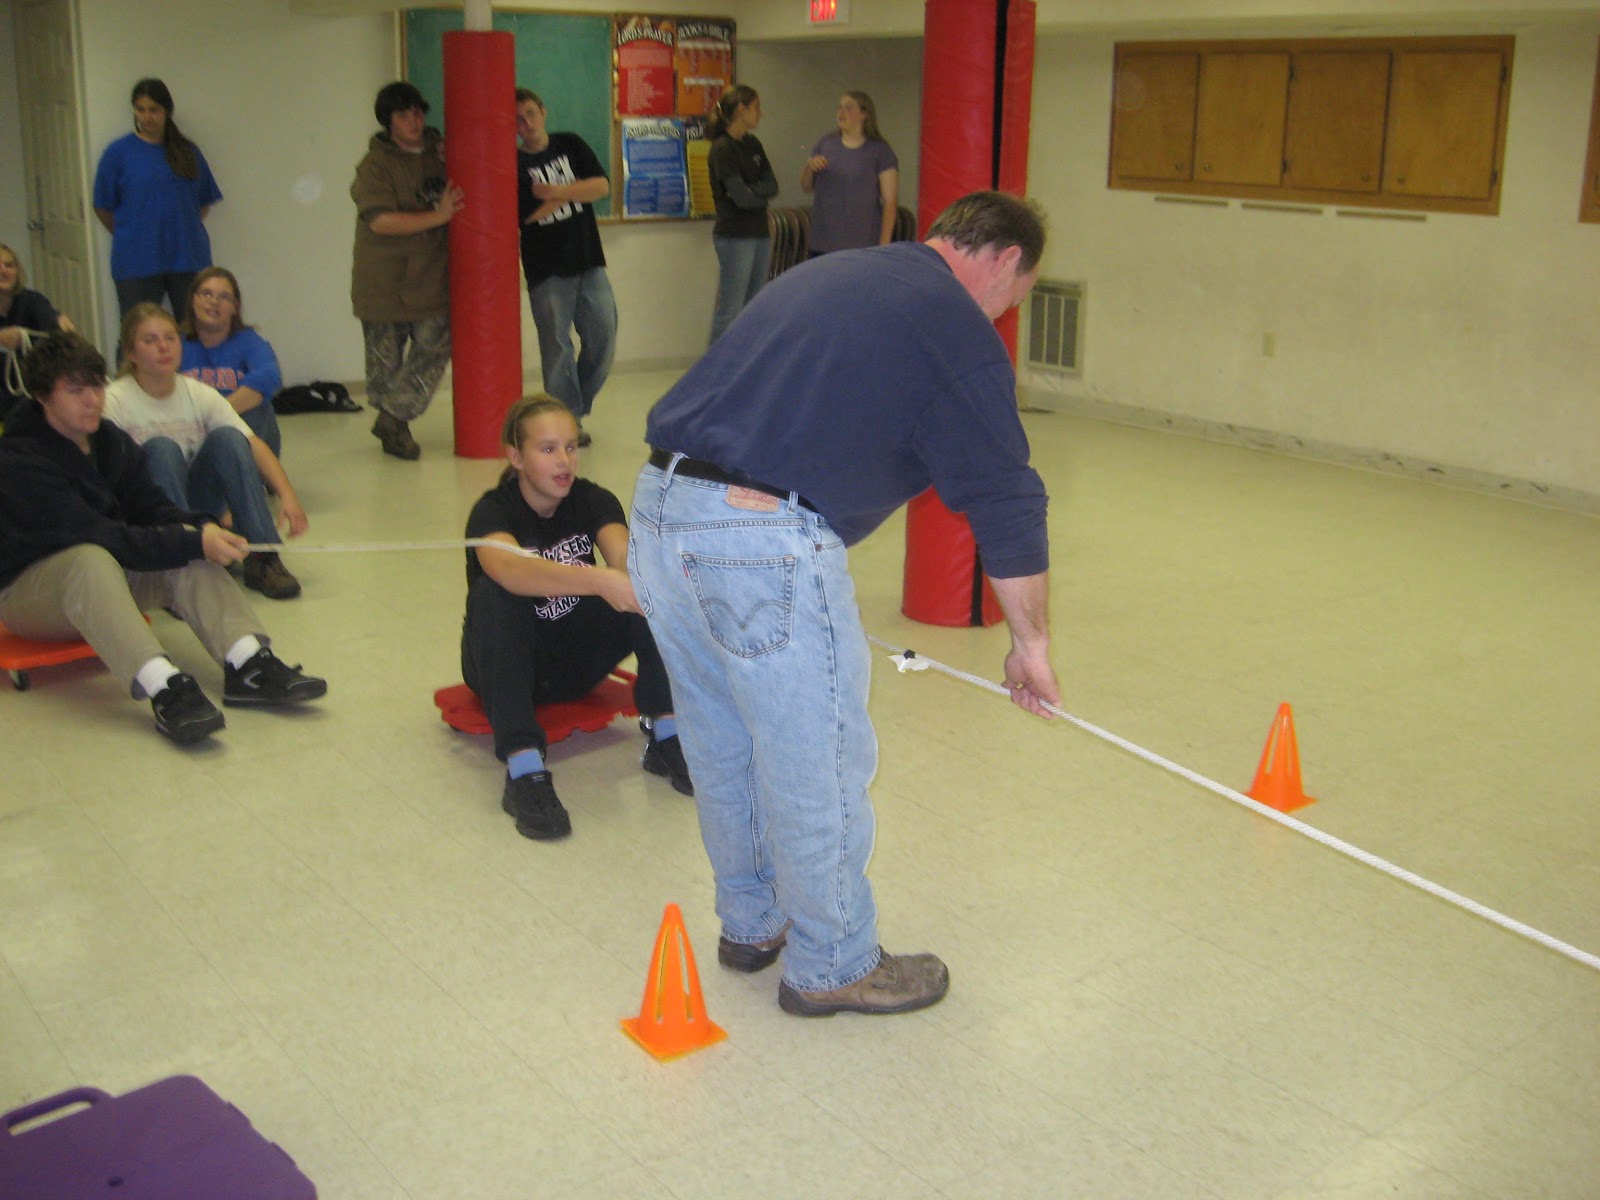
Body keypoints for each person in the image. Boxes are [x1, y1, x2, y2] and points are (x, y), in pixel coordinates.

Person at [630, 191, 1058, 1018]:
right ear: (1004, 259)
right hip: (756, 534)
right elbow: (1006, 496)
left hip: (660, 510)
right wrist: (1029, 645)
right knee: (815, 759)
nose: (1005, 316)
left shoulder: (846, 270)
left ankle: (753, 923)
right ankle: (832, 961)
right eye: (1019, 294)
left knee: (721, 741)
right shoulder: (955, 327)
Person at [0, 332, 326, 744]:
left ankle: (248, 664)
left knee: (186, 544)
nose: (92, 400)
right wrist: (191, 540)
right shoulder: (19, 459)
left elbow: (153, 509)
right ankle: (165, 688)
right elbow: (101, 536)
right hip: (30, 594)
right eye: (75, 390)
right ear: (43, 397)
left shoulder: (110, 442)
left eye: (97, 386)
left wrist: (203, 528)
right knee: (90, 556)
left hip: (105, 577)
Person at [463, 395, 692, 841]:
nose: (564, 461)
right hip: (510, 665)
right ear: (516, 456)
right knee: (495, 595)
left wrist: (650, 575)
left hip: (574, 661)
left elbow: (622, 554)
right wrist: (597, 580)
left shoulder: (591, 500)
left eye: (571, 447)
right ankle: (524, 770)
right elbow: (510, 569)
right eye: (547, 449)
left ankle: (666, 734)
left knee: (640, 587)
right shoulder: (492, 511)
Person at [104, 304, 307, 601]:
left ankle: (263, 557)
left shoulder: (197, 392)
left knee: (229, 437)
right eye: (150, 340)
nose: (163, 347)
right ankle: (179, 568)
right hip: (149, 513)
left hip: (197, 504)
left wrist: (288, 495)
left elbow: (253, 444)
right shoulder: (115, 401)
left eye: (170, 338)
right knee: (162, 449)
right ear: (131, 353)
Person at [351, 81, 463, 461]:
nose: (413, 121)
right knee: (385, 365)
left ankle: (394, 419)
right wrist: (439, 216)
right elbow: (380, 221)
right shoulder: (375, 166)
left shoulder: (443, 152)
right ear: (388, 122)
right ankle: (393, 425)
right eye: (403, 115)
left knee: (435, 346)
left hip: (431, 278)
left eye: (417, 112)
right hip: (383, 280)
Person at [515, 89, 616, 449]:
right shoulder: (512, 164)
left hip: (588, 261)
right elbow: (528, 218)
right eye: (518, 119)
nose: (526, 124)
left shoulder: (570, 144)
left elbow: (601, 186)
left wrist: (557, 192)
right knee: (557, 348)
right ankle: (567, 418)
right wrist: (574, 192)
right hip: (546, 269)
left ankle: (576, 406)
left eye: (530, 113)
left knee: (604, 336)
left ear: (543, 111)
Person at [92, 79, 223, 317]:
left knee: (194, 332)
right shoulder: (117, 154)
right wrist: (132, 231)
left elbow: (202, 203)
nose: (147, 117)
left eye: (154, 110)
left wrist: (181, 229)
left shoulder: (188, 152)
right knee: (136, 333)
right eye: (140, 109)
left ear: (167, 111)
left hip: (188, 259)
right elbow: (102, 207)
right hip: (136, 262)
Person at [179, 268, 284, 459]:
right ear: (193, 300)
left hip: (242, 435)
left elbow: (270, 376)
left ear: (235, 307)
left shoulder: (249, 341)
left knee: (259, 407)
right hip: (193, 437)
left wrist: (218, 415)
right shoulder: (175, 344)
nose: (214, 301)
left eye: (224, 297)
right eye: (207, 293)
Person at [705, 85, 777, 345]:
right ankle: (714, 372)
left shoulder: (753, 143)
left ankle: (743, 365)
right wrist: (755, 193)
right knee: (731, 310)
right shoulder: (723, 148)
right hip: (735, 236)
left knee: (754, 307)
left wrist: (752, 191)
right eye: (756, 107)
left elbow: (773, 185)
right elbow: (741, 198)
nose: (761, 113)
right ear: (741, 109)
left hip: (759, 233)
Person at [800, 91, 900, 254]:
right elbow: (806, 186)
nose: (841, 112)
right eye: (839, 108)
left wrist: (884, 246)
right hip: (823, 242)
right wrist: (810, 167)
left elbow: (890, 202)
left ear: (864, 114)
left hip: (862, 244)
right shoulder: (826, 143)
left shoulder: (880, 150)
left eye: (848, 108)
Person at [1, 244, 76, 422]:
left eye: (9, 265)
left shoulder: (32, 300)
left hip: (27, 386)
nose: (3, 271)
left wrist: (59, 320)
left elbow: (51, 321)